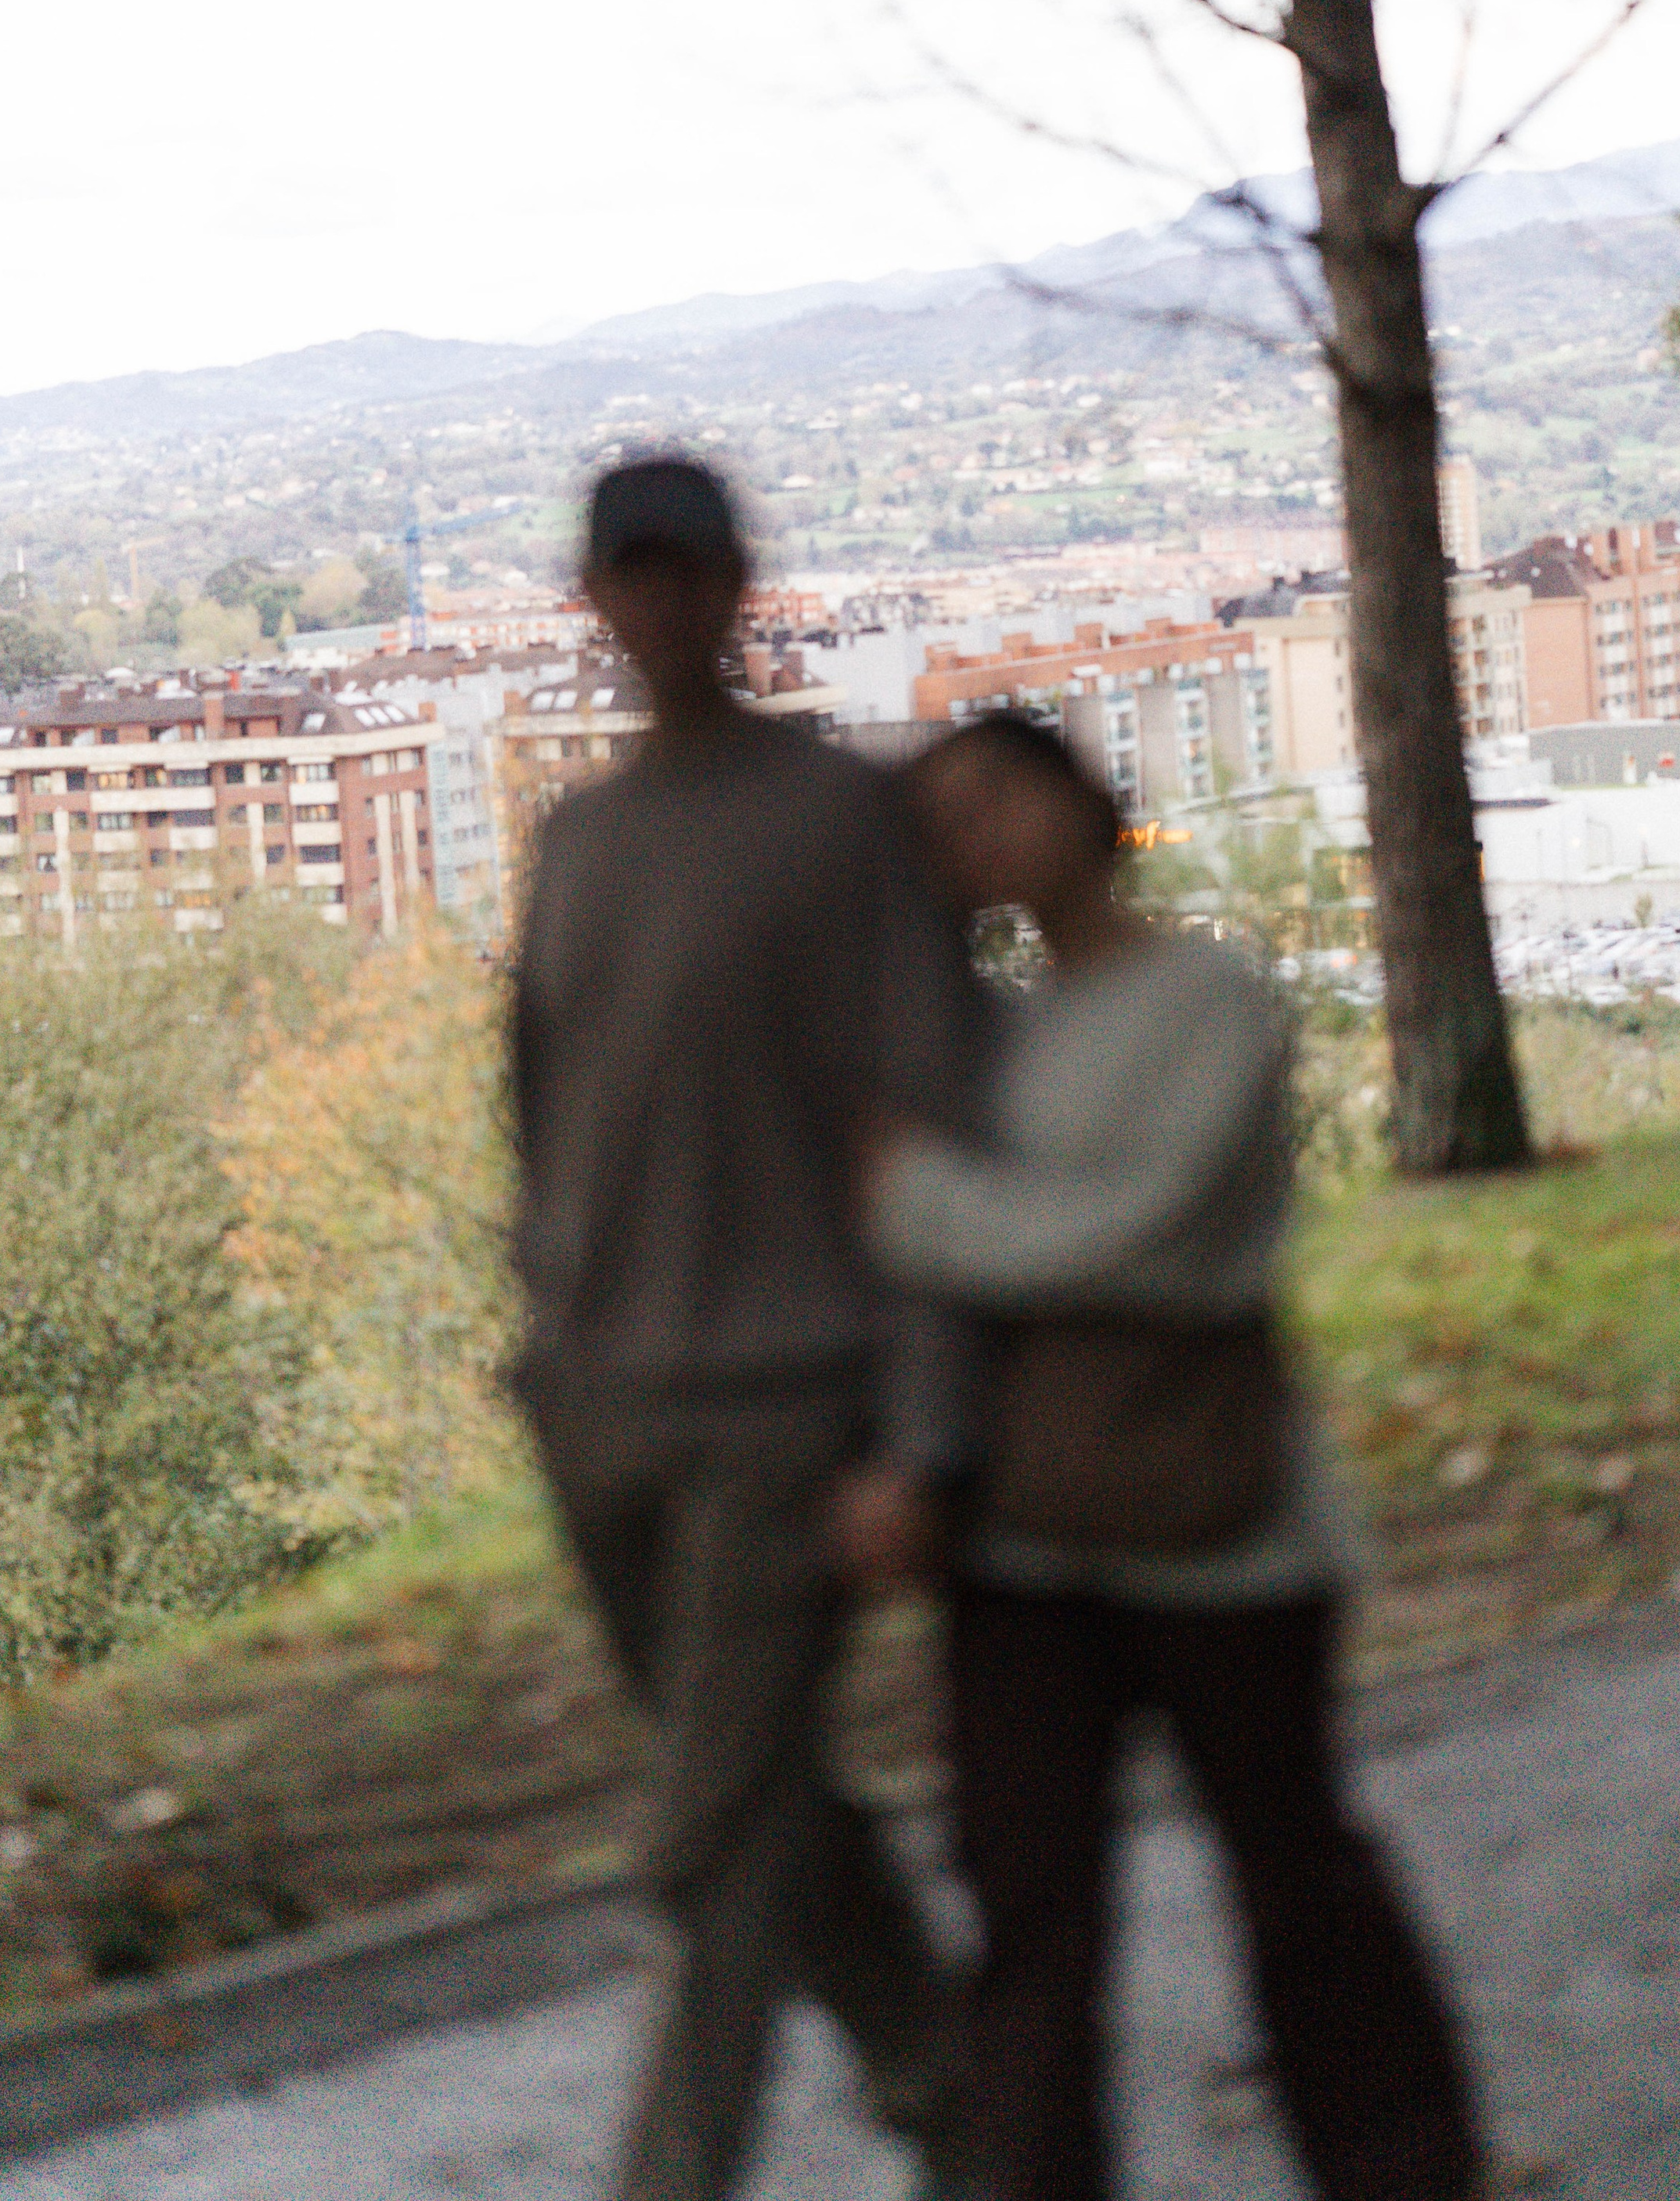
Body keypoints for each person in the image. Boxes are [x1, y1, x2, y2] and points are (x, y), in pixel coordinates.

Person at [871, 713, 1486, 2201]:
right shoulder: (974, 1035)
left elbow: (1149, 1235)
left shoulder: (1211, 996)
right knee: (1028, 1917)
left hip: (1226, 1516)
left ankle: (1402, 2171)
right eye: (944, 819)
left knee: (1298, 1882)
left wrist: (921, 1207)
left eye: (1001, 794)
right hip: (1023, 1539)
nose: (981, 835)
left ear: (1088, 795)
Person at [509, 454, 982, 2201]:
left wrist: (923, 1432)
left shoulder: (839, 823)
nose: (655, 611)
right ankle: (957, 2098)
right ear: (595, 603)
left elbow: (931, 1130)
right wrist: (546, 1347)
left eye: (684, 575)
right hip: (604, 1410)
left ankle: (670, 2177)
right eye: (623, 578)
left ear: (735, 589)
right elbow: (547, 1119)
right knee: (759, 1792)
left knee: (708, 1832)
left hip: (792, 1411)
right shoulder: (579, 841)